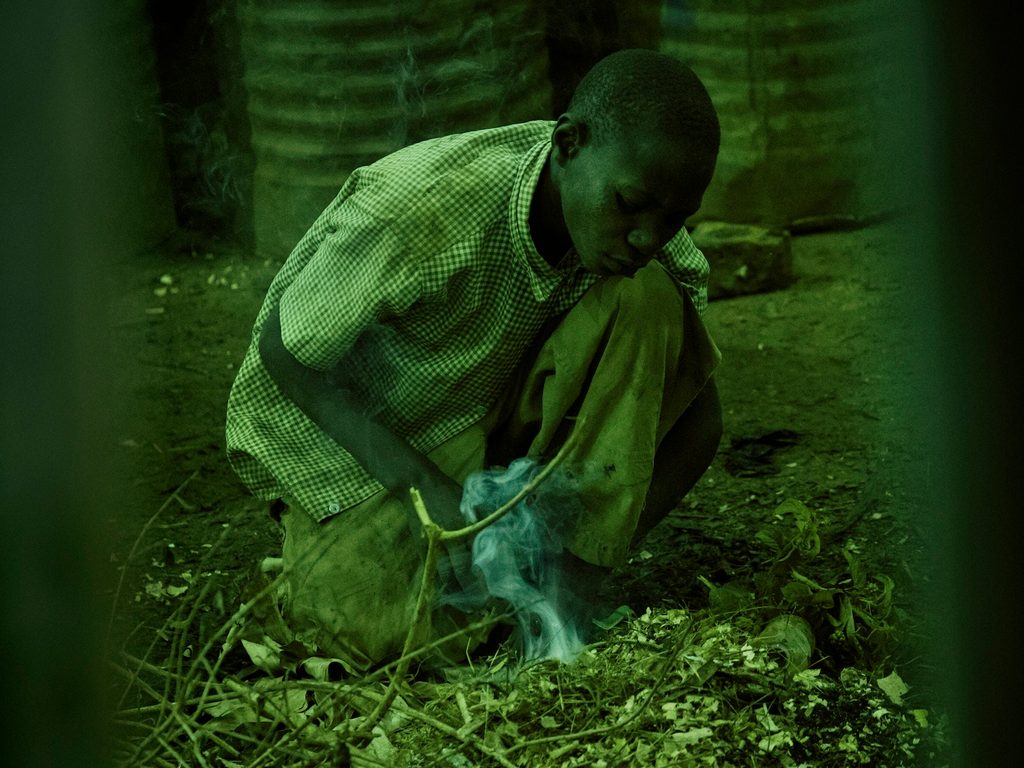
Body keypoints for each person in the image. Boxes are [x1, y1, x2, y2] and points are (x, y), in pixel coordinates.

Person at [225, 48, 723, 672]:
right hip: (370, 435)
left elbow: (701, 421)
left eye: (674, 218)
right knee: (372, 641)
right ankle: (339, 550)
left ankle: (555, 599)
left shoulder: (648, 230)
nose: (648, 236)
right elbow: (287, 352)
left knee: (650, 299)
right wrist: (425, 488)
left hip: (492, 405)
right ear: (568, 145)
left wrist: (583, 565)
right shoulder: (422, 207)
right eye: (629, 203)